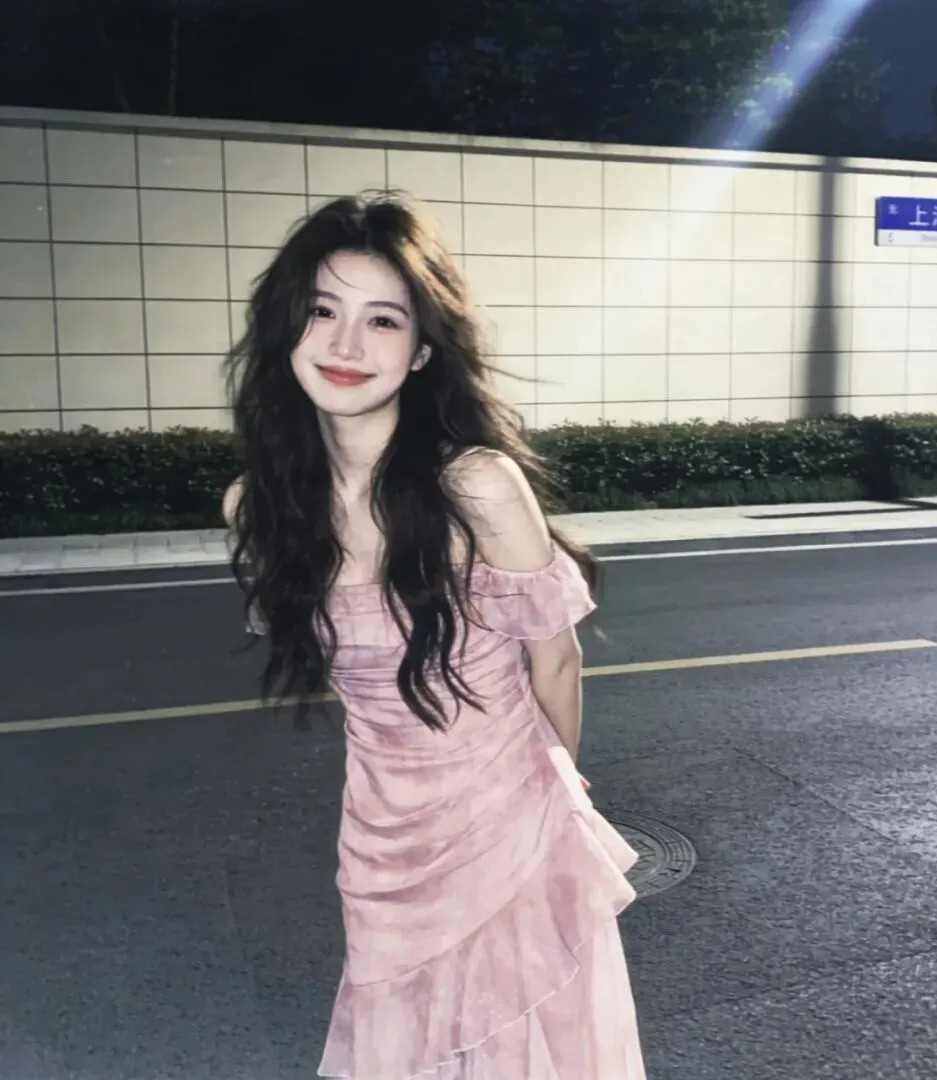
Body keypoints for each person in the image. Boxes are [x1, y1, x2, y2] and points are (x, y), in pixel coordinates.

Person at [221, 192, 647, 1079]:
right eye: (323, 312)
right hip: (379, 836)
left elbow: (555, 658)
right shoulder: (260, 509)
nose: (346, 345)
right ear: (286, 328)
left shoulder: (475, 486)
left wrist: (550, 800)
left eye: (382, 320)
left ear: (420, 350)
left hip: (509, 815)